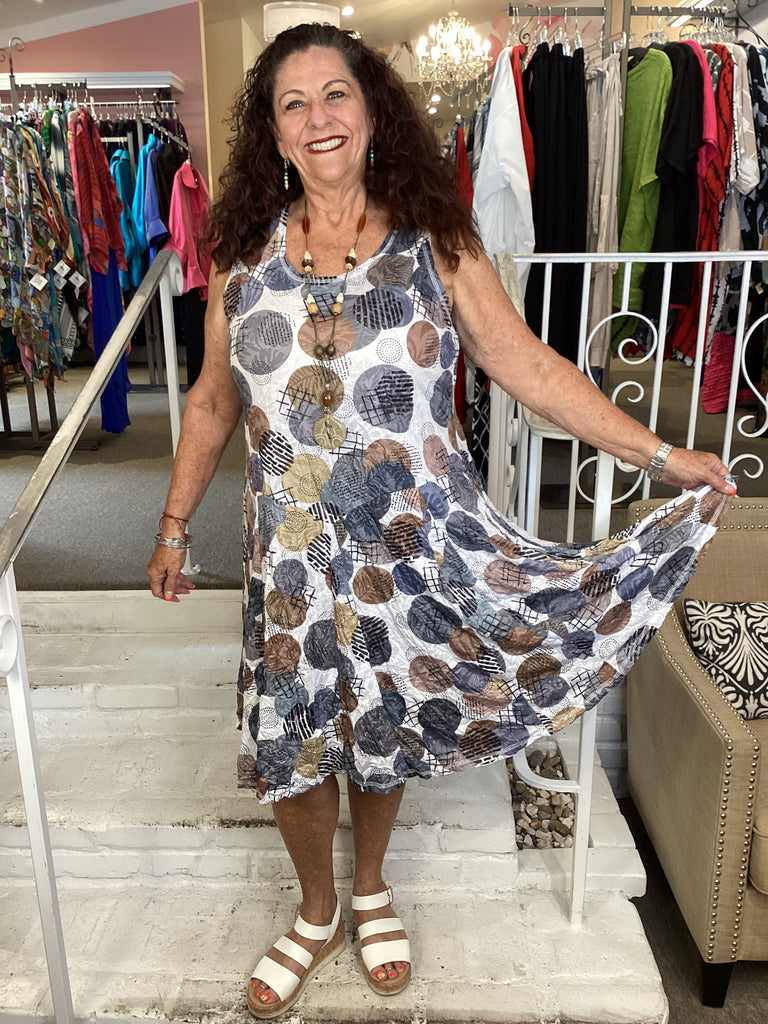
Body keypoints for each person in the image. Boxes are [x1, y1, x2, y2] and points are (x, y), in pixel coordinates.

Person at [147, 22, 736, 1020]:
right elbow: (210, 399)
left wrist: (662, 455)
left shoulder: (436, 240)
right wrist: (172, 523)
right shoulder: (242, 257)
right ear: (273, 134)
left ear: (373, 110)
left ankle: (371, 885)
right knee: (295, 732)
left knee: (383, 721)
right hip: (289, 561)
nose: (318, 117)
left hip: (411, 551)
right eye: (293, 103)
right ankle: (317, 909)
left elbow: (528, 364)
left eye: (336, 93)